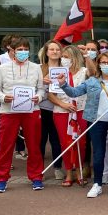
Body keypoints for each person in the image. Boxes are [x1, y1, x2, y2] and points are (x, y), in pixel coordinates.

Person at [58, 52, 108, 198]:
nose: (106, 65)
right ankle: (97, 184)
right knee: (98, 154)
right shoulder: (92, 81)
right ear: (98, 64)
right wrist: (63, 84)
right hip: (96, 121)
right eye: (103, 62)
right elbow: (74, 93)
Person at [0, 37, 46, 192]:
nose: (23, 52)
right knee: (6, 146)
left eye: (26, 49)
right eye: (19, 49)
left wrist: (39, 97)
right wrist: (3, 97)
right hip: (9, 111)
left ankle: (36, 177)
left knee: (34, 145)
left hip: (31, 111)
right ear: (12, 51)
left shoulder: (36, 68)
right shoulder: (3, 68)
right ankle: (1, 179)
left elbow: (41, 89)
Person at [50, 45, 88, 186]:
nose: (64, 59)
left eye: (67, 57)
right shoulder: (57, 72)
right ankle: (69, 173)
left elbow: (94, 72)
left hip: (80, 111)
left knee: (81, 142)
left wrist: (87, 56)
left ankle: (79, 171)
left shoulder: (84, 72)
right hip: (62, 112)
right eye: (63, 57)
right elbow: (50, 95)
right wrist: (63, 104)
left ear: (75, 57)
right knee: (65, 143)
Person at [38, 40, 65, 180]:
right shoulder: (39, 68)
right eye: (51, 49)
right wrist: (42, 80)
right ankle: (39, 169)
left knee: (57, 140)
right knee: (40, 140)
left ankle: (57, 167)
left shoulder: (65, 67)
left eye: (57, 49)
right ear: (46, 52)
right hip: (42, 109)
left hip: (59, 108)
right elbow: (33, 86)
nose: (54, 52)